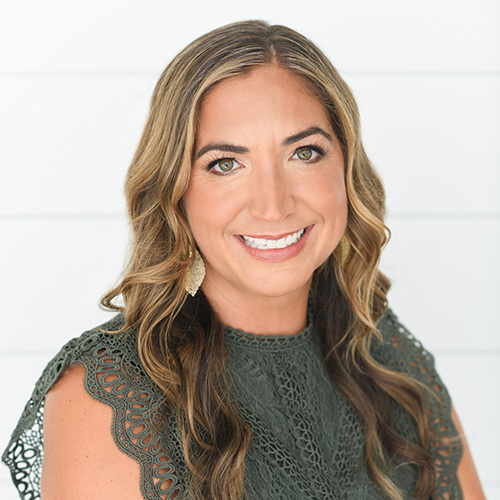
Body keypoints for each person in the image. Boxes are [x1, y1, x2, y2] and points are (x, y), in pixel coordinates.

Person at [2, 20, 485, 500]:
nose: (272, 205)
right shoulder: (110, 391)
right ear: (175, 193)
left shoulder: (388, 361)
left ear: (346, 170)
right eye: (225, 164)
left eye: (304, 152)